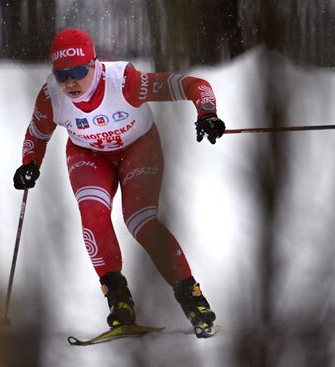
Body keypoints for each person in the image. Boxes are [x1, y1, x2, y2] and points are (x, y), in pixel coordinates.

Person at [13, 28, 225, 338]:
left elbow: (193, 84)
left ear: (94, 65)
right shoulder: (51, 96)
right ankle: (119, 301)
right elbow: (37, 134)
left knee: (140, 221)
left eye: (78, 71)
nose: (70, 81)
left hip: (139, 148)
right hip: (89, 154)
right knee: (93, 215)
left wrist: (206, 113)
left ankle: (192, 298)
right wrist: (29, 164)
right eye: (62, 74)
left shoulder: (124, 82)